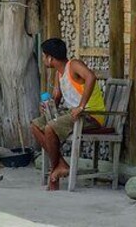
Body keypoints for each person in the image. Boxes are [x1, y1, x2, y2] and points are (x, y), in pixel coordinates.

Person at [30, 37, 106, 190]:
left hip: (90, 115)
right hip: (74, 116)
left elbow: (91, 77)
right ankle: (61, 164)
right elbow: (57, 98)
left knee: (50, 128)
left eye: (44, 56)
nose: (44, 59)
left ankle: (56, 168)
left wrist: (81, 106)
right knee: (35, 125)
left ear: (51, 58)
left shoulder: (74, 65)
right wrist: (47, 108)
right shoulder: (59, 73)